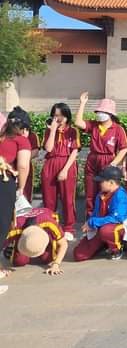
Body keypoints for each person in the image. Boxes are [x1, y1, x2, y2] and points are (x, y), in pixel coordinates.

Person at [75, 92, 127, 217]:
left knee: (106, 191)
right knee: (90, 192)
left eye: (103, 111)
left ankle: (104, 219)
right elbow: (78, 122)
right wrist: (82, 103)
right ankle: (90, 219)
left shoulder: (118, 129)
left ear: (110, 114)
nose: (100, 114)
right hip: (93, 159)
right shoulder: (94, 125)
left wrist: (114, 163)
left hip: (108, 160)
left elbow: (124, 149)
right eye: (99, 111)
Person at [0, 108, 33, 282]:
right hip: (4, 181)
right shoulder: (21, 140)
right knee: (2, 224)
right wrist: (20, 187)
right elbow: (23, 166)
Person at [73, 166, 127, 261]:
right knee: (79, 255)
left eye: (102, 181)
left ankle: (117, 248)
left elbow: (117, 218)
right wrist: (89, 226)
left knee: (106, 231)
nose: (99, 183)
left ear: (111, 182)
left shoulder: (120, 195)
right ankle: (104, 245)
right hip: (100, 227)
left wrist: (93, 222)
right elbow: (95, 214)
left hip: (117, 227)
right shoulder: (100, 195)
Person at [41, 102, 80, 240]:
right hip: (50, 163)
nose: (59, 118)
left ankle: (69, 228)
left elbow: (74, 152)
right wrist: (53, 130)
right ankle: (49, 226)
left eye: (61, 115)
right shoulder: (48, 131)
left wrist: (65, 170)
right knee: (49, 199)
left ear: (67, 116)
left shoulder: (73, 131)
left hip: (67, 163)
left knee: (67, 198)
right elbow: (48, 148)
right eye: (56, 115)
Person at [4, 206, 67, 275]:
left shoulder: (50, 223)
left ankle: (47, 246)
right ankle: (13, 246)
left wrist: (56, 264)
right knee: (19, 262)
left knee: (48, 258)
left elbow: (63, 244)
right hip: (22, 230)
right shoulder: (14, 227)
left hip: (46, 226)